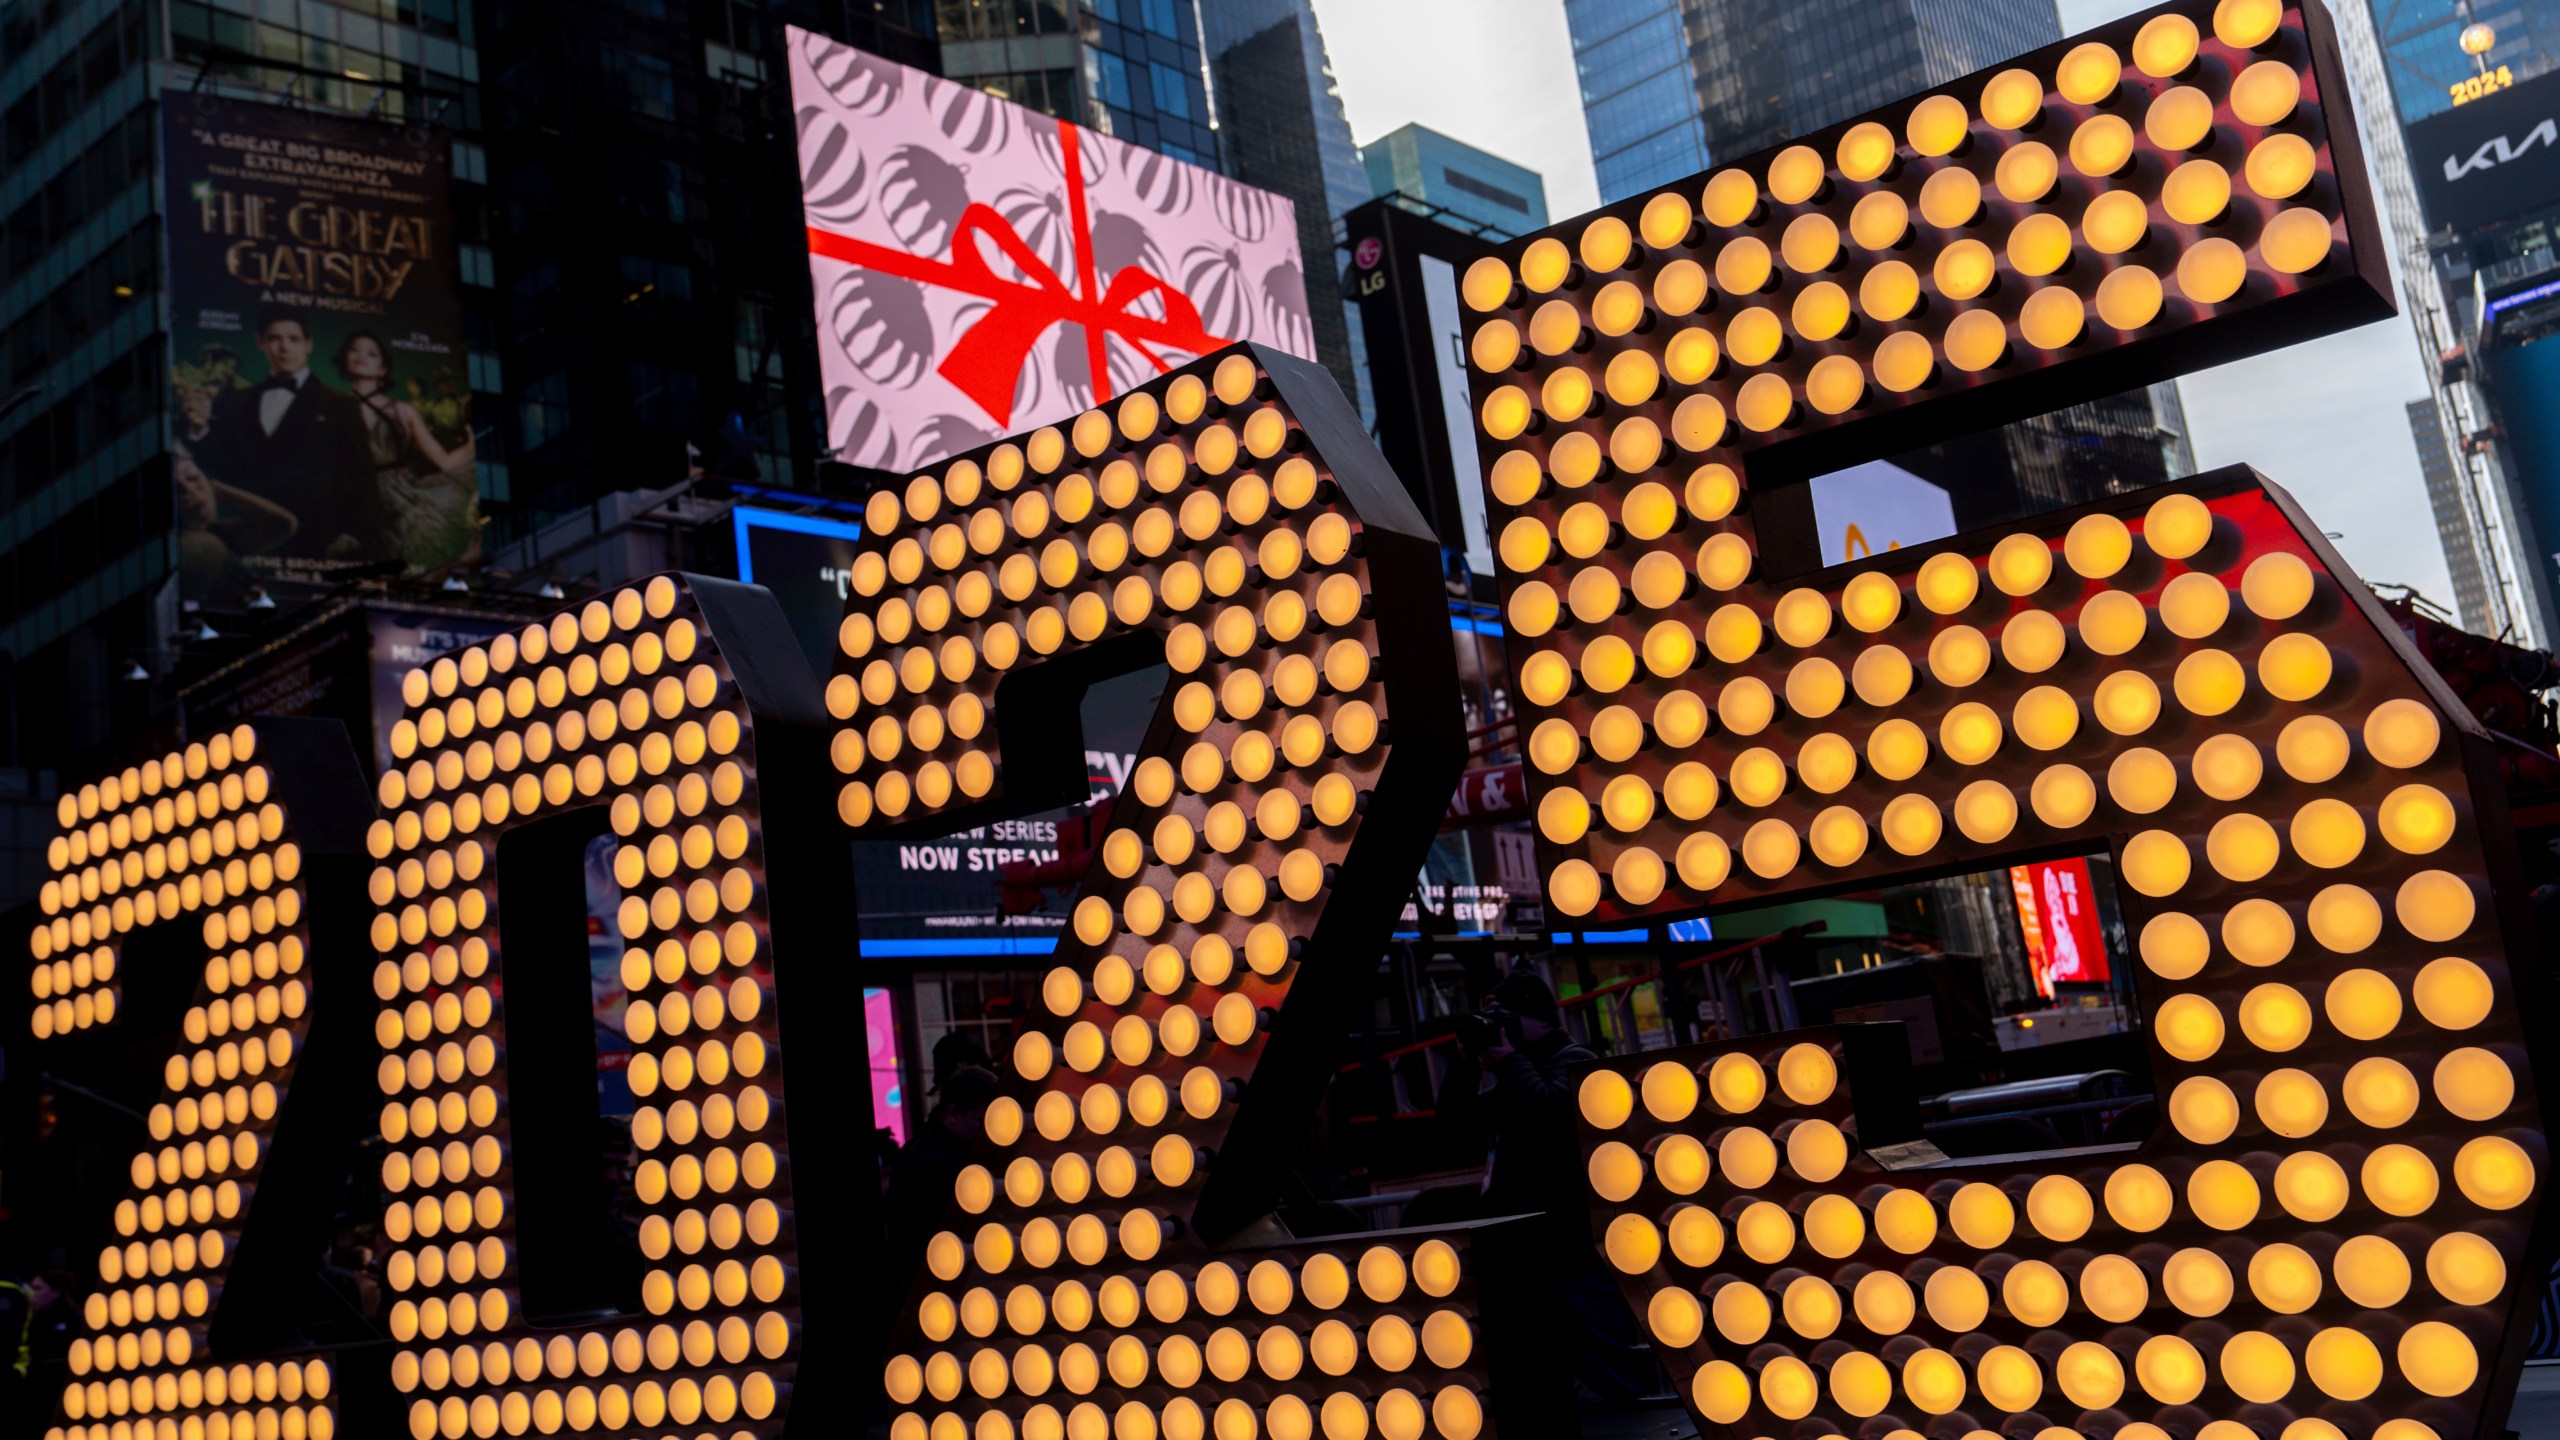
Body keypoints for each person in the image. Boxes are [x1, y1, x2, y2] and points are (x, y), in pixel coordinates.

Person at [1440, 969, 1649, 1405]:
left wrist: (1509, 1060)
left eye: (1506, 1019)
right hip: (1525, 1249)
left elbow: (1554, 1115)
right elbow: (1453, 1128)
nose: (1500, 1030)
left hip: (1573, 1248)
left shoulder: (1576, 1061)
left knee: (1612, 1372)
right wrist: (1464, 1061)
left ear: (1538, 1020)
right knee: (1541, 1376)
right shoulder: (1517, 1075)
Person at [186, 304, 381, 564]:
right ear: (260, 343)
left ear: (308, 344)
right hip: (251, 543)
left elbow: (362, 476)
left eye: (294, 339)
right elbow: (223, 469)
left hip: (317, 543)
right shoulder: (236, 401)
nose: (285, 348)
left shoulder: (339, 404)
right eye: (275, 339)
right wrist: (200, 431)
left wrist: (353, 535)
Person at [332, 331, 480, 572]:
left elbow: (443, 461)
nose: (362, 356)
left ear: (383, 368)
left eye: (372, 353)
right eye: (355, 350)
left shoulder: (403, 410)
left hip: (401, 498)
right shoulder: (333, 408)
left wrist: (473, 446)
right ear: (344, 359)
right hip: (353, 501)